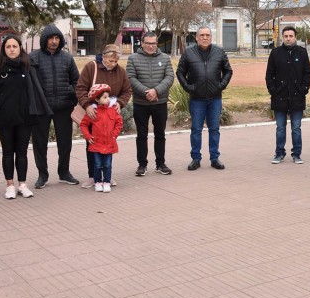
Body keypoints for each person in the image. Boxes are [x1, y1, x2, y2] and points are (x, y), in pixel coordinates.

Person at [0, 35, 52, 200]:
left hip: (25, 116)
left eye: (14, 46)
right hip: (5, 117)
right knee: (8, 152)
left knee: (22, 152)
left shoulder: (28, 66)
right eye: (8, 47)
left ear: (20, 48)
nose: (11, 49)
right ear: (4, 49)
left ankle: (22, 184)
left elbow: (37, 88)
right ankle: (10, 185)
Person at [29, 24, 80, 189]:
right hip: (41, 108)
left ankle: (64, 173)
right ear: (45, 40)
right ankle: (42, 175)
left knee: (65, 143)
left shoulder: (67, 58)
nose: (54, 41)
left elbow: (76, 81)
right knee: (39, 143)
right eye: (51, 38)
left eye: (57, 38)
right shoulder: (33, 57)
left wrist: (70, 92)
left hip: (64, 107)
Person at [176, 27, 233, 170]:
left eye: (207, 35)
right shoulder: (189, 53)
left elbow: (228, 71)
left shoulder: (219, 52)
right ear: (196, 37)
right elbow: (180, 72)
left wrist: (221, 86)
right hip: (196, 99)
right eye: (202, 35)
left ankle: (215, 158)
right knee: (196, 129)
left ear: (211, 37)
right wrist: (189, 88)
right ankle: (195, 158)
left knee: (214, 129)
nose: (205, 37)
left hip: (215, 98)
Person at [76, 44, 132, 188]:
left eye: (116, 61)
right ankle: (92, 176)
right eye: (110, 60)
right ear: (103, 56)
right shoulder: (91, 67)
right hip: (93, 112)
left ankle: (107, 177)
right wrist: (87, 105)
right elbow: (81, 88)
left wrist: (120, 102)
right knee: (92, 145)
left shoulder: (120, 71)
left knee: (108, 145)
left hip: (110, 114)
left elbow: (127, 91)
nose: (113, 64)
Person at [126, 32, 175, 176]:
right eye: (148, 43)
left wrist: (156, 91)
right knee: (142, 135)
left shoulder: (165, 58)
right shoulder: (133, 58)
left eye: (154, 43)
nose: (151, 46)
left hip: (160, 102)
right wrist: (146, 92)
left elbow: (170, 77)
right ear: (142, 43)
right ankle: (142, 165)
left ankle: (160, 163)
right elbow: (130, 78)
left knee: (160, 134)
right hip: (141, 102)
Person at [265, 26, 310, 164]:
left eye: (291, 36)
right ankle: (279, 153)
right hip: (279, 97)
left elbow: (307, 73)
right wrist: (273, 90)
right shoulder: (275, 53)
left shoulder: (302, 53)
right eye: (285, 36)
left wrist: (304, 89)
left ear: (295, 37)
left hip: (297, 96)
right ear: (282, 37)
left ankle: (297, 154)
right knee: (280, 128)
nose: (288, 38)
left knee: (296, 128)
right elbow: (269, 74)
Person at [80, 84, 123, 193]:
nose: (108, 99)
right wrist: (88, 136)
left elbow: (119, 122)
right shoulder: (93, 112)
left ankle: (107, 182)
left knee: (108, 164)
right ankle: (98, 182)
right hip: (96, 144)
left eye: (108, 96)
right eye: (104, 97)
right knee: (97, 164)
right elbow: (83, 124)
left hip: (109, 143)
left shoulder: (113, 109)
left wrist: (114, 134)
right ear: (97, 99)